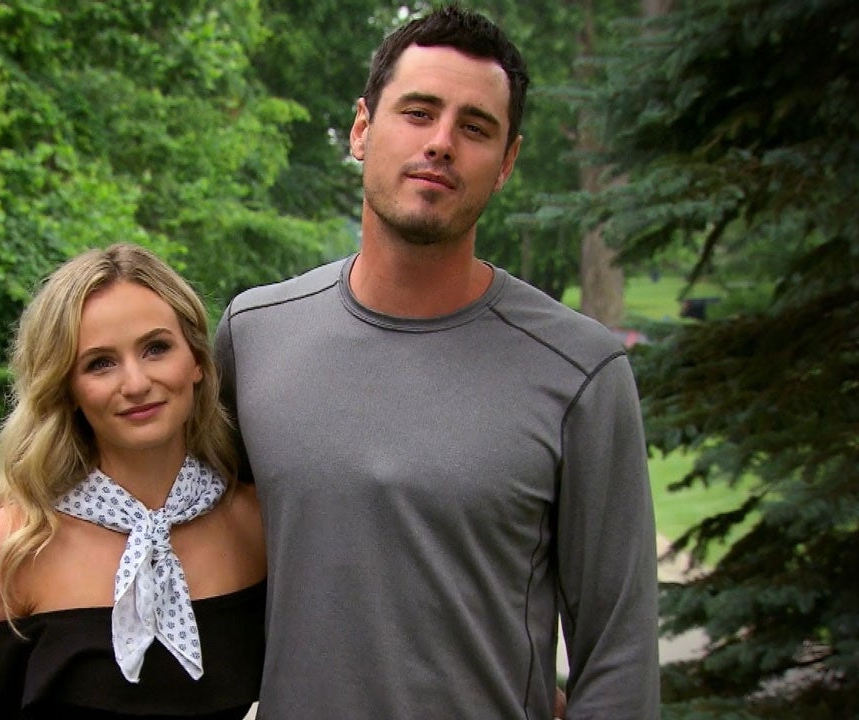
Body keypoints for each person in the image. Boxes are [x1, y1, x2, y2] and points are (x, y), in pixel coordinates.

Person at [214, 6, 659, 719]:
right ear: (362, 129)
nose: (441, 143)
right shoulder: (254, 334)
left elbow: (620, 655)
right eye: (418, 112)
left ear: (507, 162)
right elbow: (176, 530)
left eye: (475, 128)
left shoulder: (580, 371)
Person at [0, 244, 265, 719]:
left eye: (156, 348)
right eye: (100, 363)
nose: (136, 383)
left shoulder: (256, 524)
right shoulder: (16, 545)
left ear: (196, 360)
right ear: (67, 388)